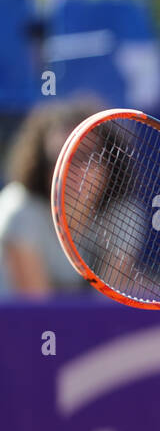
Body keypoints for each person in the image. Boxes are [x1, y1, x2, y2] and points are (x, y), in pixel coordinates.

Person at [0, 100, 98, 297]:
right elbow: (41, 314)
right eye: (60, 157)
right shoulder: (19, 212)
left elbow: (107, 309)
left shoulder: (123, 212)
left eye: (86, 156)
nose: (75, 169)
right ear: (41, 164)